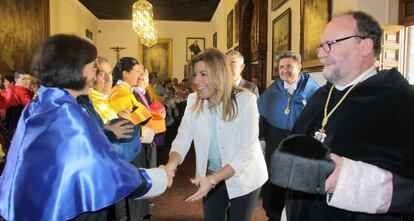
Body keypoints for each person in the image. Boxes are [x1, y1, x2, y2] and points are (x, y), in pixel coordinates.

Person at [0, 34, 168, 221]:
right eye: (93, 67)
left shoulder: (42, 104)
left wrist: (105, 133)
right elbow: (103, 169)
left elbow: (67, 150)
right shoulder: (67, 113)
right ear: (75, 69)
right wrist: (158, 178)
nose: (95, 75)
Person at [283, 11, 414, 221]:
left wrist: (347, 179)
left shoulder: (400, 101)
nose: (321, 53)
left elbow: (407, 188)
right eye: (321, 45)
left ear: (365, 46)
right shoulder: (320, 96)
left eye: (330, 44)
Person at [164, 48, 268, 221]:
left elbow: (246, 152)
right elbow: (182, 138)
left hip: (244, 175)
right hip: (211, 174)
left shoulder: (245, 100)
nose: (197, 81)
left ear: (219, 73)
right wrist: (171, 164)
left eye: (203, 74)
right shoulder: (193, 100)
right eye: (195, 75)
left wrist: (213, 180)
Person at [258, 51, 319, 221]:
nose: (285, 70)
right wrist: (261, 142)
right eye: (281, 67)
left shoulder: (314, 91)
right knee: (275, 181)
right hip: (275, 142)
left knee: (297, 183)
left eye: (289, 66)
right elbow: (263, 119)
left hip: (301, 142)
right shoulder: (272, 91)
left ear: (299, 67)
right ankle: (274, 214)